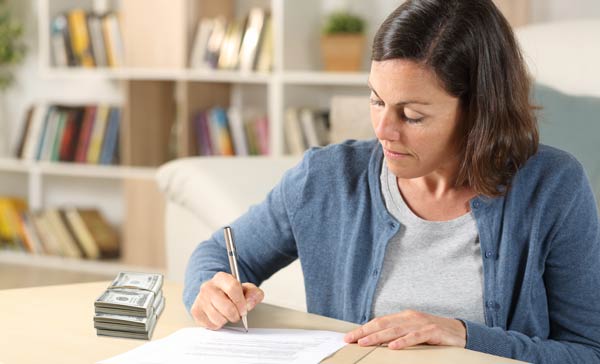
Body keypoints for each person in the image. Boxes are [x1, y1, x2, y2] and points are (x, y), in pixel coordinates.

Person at [183, 0, 600, 362]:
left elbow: (588, 351)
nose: (383, 129)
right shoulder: (326, 178)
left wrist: (466, 336)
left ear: (478, 111)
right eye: (376, 100)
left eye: (412, 115)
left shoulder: (553, 187)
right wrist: (210, 291)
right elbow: (217, 253)